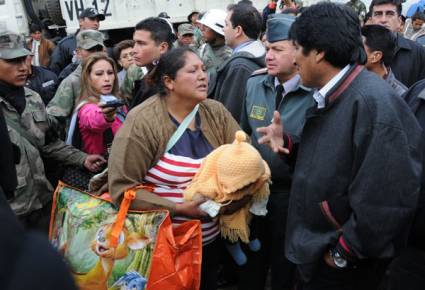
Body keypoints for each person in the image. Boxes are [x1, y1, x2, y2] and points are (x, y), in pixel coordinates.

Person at [256, 3, 423, 289]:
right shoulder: (333, 95)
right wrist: (290, 146)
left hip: (343, 266)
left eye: (297, 48)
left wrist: (343, 253)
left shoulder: (371, 103)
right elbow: (336, 160)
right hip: (317, 248)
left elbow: (389, 196)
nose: (294, 59)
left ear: (319, 52)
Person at [108, 47, 247, 290]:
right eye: (193, 71)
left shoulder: (216, 112)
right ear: (169, 81)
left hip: (208, 244)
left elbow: (244, 160)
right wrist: (178, 208)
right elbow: (123, 189)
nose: (203, 76)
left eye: (204, 69)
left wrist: (233, 198)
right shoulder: (142, 122)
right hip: (161, 247)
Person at [0, 31, 105, 232]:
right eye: (13, 62)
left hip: (43, 202)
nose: (23, 67)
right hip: (9, 213)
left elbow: (48, 143)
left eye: (24, 59)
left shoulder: (32, 98)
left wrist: (82, 158)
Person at [240, 14, 313, 290]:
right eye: (267, 47)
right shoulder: (254, 84)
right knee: (251, 264)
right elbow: (243, 133)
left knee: (285, 269)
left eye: (277, 49)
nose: (268, 56)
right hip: (253, 194)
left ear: (298, 52)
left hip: (291, 197)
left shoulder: (316, 95)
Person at [208, 3, 265, 122]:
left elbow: (229, 116)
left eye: (226, 24)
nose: (223, 29)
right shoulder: (260, 53)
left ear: (238, 30)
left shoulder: (239, 66)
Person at [47, 29, 105, 129]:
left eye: (98, 49)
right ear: (78, 52)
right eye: (90, 49)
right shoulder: (71, 82)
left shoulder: (110, 75)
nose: (95, 54)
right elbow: (54, 117)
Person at [74, 53, 126, 156]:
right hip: (104, 167)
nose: (107, 78)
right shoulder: (86, 108)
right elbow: (94, 120)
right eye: (99, 74)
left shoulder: (118, 102)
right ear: (88, 78)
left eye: (110, 72)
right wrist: (107, 116)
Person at [121, 17, 174, 108]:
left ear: (162, 48)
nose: (134, 50)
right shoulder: (150, 78)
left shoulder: (170, 83)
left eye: (141, 43)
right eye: (135, 43)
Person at [370, 0, 425, 87]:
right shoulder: (359, 51)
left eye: (390, 14)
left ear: (399, 21)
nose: (383, 20)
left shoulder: (419, 53)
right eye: (378, 14)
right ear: (371, 20)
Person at [49, 7, 105, 75]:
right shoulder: (66, 45)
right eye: (92, 19)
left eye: (98, 21)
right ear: (81, 21)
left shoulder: (102, 44)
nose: (96, 23)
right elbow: (55, 72)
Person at [361, 24, 407, 97]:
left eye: (359, 48)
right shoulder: (352, 81)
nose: (352, 52)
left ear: (375, 56)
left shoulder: (400, 96)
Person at [197, 9, 232, 74]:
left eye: (206, 27)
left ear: (217, 30)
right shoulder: (203, 48)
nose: (201, 29)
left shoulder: (230, 55)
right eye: (202, 26)